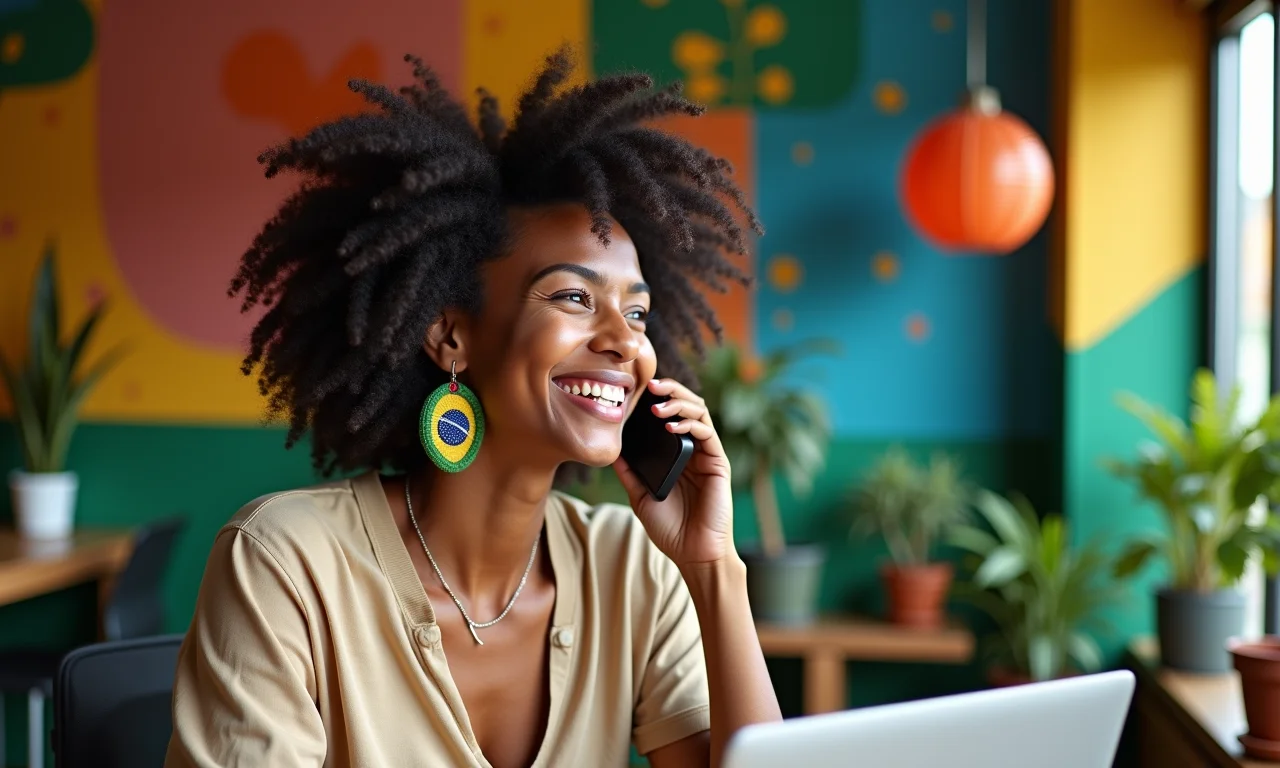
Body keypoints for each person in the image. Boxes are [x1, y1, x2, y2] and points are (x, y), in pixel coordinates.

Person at [165, 47, 782, 768]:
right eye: (575, 297)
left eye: (638, 315)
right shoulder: (285, 564)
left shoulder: (632, 569)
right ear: (452, 336)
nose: (625, 344)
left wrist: (713, 571)